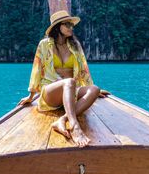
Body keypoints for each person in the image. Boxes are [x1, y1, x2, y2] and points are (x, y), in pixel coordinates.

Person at [18, 10, 109, 147]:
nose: (71, 28)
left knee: (94, 90)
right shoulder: (45, 45)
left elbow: (84, 70)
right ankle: (74, 126)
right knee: (69, 81)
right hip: (51, 91)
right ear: (57, 27)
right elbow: (37, 70)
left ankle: (63, 119)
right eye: (67, 24)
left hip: (71, 91)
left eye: (71, 25)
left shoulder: (75, 46)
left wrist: (91, 88)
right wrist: (31, 97)